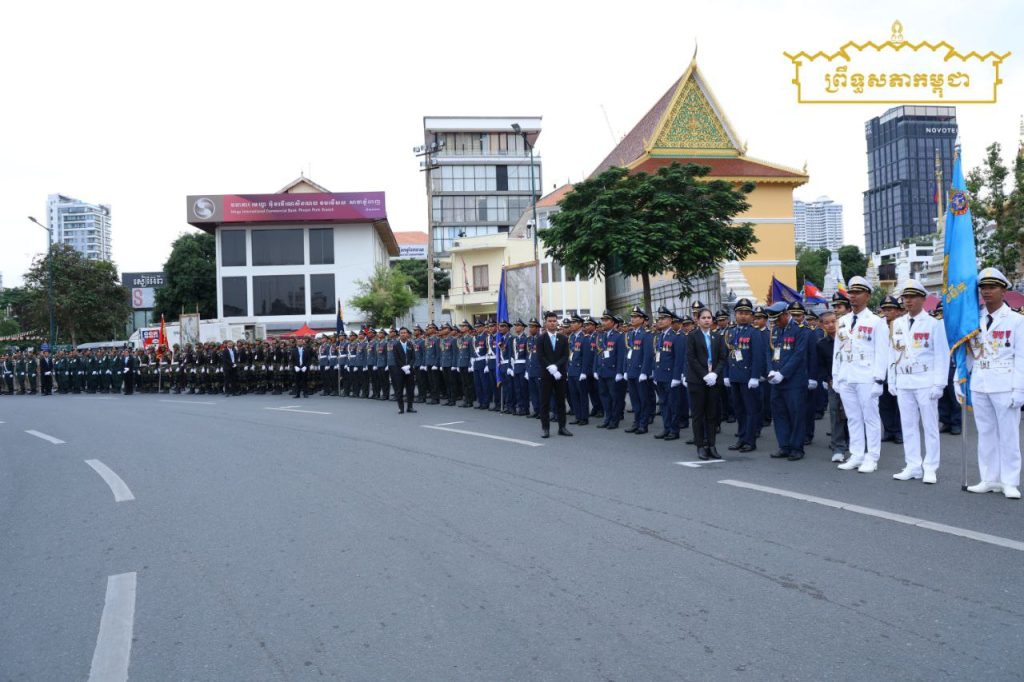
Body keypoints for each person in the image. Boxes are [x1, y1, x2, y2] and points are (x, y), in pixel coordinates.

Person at [966, 267, 1024, 499]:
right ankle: (989, 478)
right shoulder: (974, 319)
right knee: (986, 433)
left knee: (1008, 434)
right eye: (983, 288)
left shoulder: (1017, 320)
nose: (987, 292)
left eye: (992, 287)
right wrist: (961, 378)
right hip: (980, 381)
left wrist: (1020, 389)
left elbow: (1021, 357)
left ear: (1004, 290)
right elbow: (969, 353)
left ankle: (1009, 481)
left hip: (1005, 383)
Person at [888, 279, 949, 484]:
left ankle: (930, 467)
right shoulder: (897, 323)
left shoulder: (934, 324)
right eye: (905, 297)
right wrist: (892, 379)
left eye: (913, 297)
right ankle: (913, 465)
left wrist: (939, 384)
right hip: (904, 379)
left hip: (925, 380)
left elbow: (941, 355)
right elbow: (892, 354)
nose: (908, 301)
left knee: (930, 426)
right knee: (908, 425)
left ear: (923, 299)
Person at [834, 276, 890, 473]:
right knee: (852, 418)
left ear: (868, 296)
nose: (853, 296)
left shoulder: (876, 322)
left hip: (867, 375)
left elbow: (882, 353)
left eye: (858, 293)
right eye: (851, 293)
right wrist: (836, 375)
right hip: (846, 374)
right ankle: (856, 454)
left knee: (870, 418)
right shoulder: (842, 321)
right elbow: (837, 351)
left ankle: (872, 457)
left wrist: (879, 380)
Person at [767, 302, 810, 461]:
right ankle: (784, 446)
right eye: (773, 320)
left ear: (786, 314)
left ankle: (797, 448)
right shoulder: (775, 330)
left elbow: (798, 355)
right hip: (776, 381)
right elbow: (769, 352)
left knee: (796, 415)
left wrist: (783, 373)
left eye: (777, 319)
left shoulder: (800, 330)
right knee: (779, 414)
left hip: (794, 381)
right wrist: (770, 370)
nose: (775, 323)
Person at [724, 298, 765, 452]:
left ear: (752, 316)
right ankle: (741, 438)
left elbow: (758, 356)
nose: (743, 316)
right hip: (734, 376)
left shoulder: (754, 332)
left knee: (750, 410)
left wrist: (755, 376)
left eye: (747, 313)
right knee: (739, 410)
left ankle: (750, 440)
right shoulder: (731, 332)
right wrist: (726, 375)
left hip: (748, 378)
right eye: (740, 313)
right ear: (735, 315)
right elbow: (727, 355)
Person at [686, 307, 726, 459]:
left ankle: (711, 445)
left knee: (712, 414)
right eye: (703, 318)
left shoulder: (718, 336)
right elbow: (691, 358)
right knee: (698, 415)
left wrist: (714, 374)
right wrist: (705, 375)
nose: (707, 320)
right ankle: (700, 446)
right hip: (697, 380)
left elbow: (722, 358)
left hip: (714, 380)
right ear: (697, 320)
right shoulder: (692, 336)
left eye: (709, 317)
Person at [816, 309, 849, 462]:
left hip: (851, 381)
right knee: (836, 414)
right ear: (821, 325)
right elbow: (821, 365)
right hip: (834, 383)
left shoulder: (848, 338)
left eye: (833, 321)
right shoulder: (822, 344)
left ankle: (856, 444)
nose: (831, 325)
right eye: (826, 323)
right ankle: (838, 447)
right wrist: (827, 379)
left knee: (854, 414)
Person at [537, 311, 572, 438]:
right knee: (544, 402)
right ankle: (545, 428)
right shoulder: (541, 338)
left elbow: (565, 355)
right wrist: (550, 368)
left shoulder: (563, 338)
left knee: (560, 401)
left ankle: (562, 427)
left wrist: (556, 367)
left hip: (559, 374)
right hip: (546, 374)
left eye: (554, 321)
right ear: (545, 323)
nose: (552, 323)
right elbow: (540, 356)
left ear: (557, 322)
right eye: (549, 321)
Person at [651, 306, 684, 441]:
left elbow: (679, 359)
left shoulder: (676, 337)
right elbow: (657, 356)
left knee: (673, 404)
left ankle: (674, 430)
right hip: (660, 375)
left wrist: (677, 377)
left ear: (670, 320)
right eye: (659, 318)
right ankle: (666, 427)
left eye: (663, 318)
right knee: (663, 404)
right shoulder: (659, 336)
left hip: (671, 377)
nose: (660, 321)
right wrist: (655, 373)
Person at [879, 295, 905, 444]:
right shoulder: (879, 325)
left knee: (899, 403)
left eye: (890, 309)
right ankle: (889, 430)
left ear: (897, 311)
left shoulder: (903, 325)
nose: (887, 312)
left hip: (898, 367)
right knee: (884, 403)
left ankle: (899, 431)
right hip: (882, 369)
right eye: (885, 309)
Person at [624, 306, 653, 434]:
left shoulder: (646, 334)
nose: (633, 319)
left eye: (636, 317)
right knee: (634, 399)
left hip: (640, 372)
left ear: (642, 320)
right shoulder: (630, 334)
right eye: (632, 317)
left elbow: (647, 355)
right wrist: (625, 370)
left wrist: (644, 372)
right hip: (631, 371)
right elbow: (627, 354)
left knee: (643, 399)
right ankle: (636, 422)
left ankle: (643, 424)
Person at [391, 327, 417, 413]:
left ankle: (410, 407)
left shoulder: (410, 344)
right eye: (401, 333)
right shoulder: (396, 345)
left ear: (407, 334)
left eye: (405, 333)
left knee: (410, 389)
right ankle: (401, 408)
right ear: (399, 334)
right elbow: (396, 358)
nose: (403, 334)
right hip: (399, 370)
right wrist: (403, 367)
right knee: (399, 390)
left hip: (409, 370)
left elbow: (413, 357)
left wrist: (409, 366)